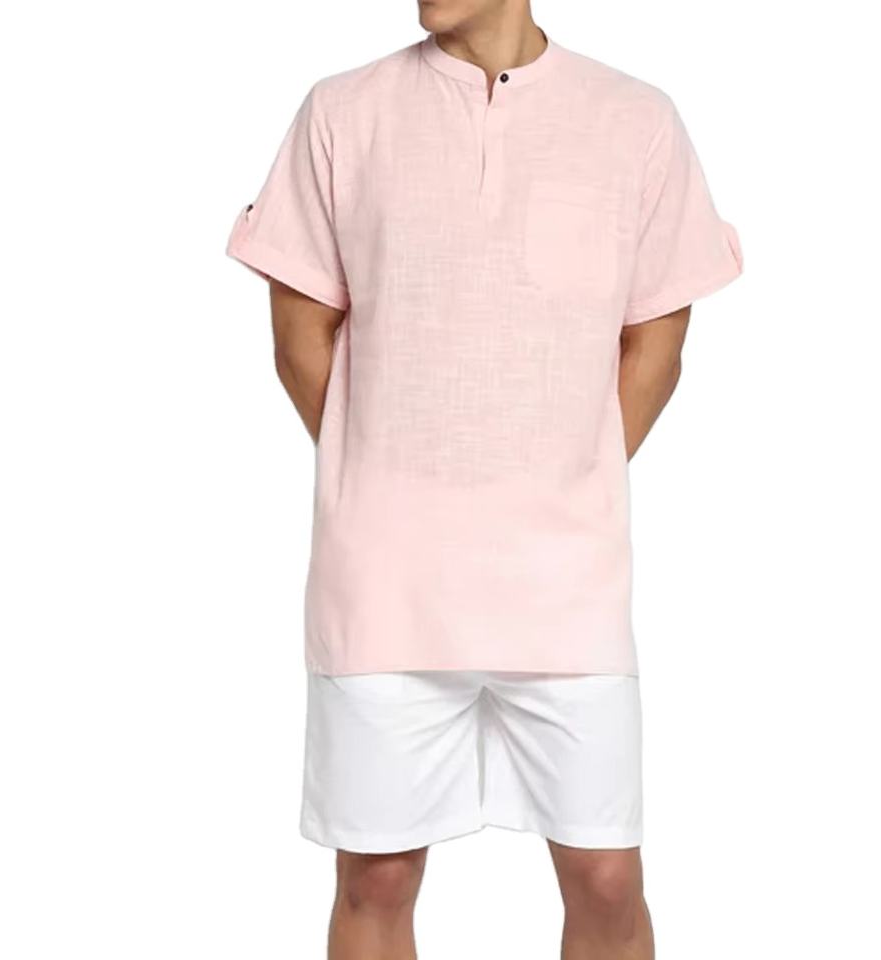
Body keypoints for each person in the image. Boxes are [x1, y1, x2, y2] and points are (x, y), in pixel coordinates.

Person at [227, 0, 742, 956]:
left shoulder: (636, 119)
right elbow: (300, 339)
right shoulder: (342, 111)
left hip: (567, 579)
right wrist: (387, 469)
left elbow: (656, 347)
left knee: (606, 874)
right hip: (385, 576)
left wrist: (557, 474)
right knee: (376, 873)